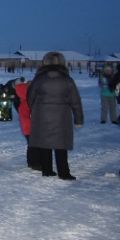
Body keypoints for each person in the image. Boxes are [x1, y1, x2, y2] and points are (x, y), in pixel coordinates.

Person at [27, 52, 83, 180]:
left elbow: (30, 97)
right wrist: (78, 119)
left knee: (44, 142)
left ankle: (47, 170)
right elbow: (76, 101)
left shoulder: (39, 79)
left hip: (42, 114)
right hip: (62, 115)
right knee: (61, 143)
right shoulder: (67, 80)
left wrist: (35, 110)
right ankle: (64, 172)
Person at [14, 80, 40, 170]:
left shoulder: (24, 102)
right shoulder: (27, 103)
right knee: (34, 146)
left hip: (27, 128)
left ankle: (32, 162)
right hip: (31, 127)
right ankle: (34, 163)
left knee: (32, 145)